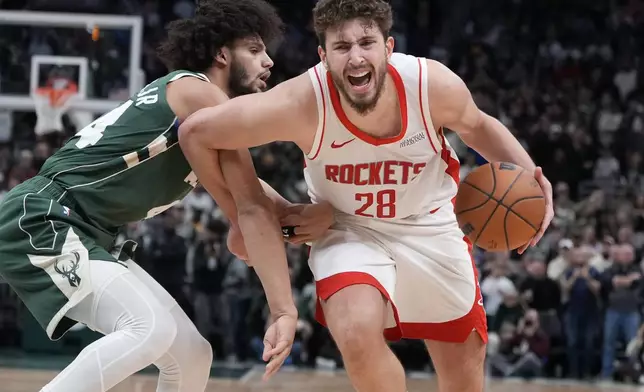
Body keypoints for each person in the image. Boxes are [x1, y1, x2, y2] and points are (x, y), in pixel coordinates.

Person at [179, 0, 554, 390]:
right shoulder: (301, 102)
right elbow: (196, 134)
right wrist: (245, 213)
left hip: (430, 224)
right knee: (355, 331)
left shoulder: (430, 85)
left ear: (388, 47)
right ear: (323, 56)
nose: (356, 57)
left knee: (464, 376)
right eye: (341, 47)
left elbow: (477, 126)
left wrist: (530, 175)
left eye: (366, 43)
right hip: (349, 228)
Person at [0, 1, 333, 391]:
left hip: (82, 229)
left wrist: (322, 219)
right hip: (44, 215)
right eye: (255, 50)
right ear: (222, 54)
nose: (270, 62)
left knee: (192, 355)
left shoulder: (208, 117)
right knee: (147, 328)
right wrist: (282, 307)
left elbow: (264, 205)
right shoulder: (200, 93)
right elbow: (252, 211)